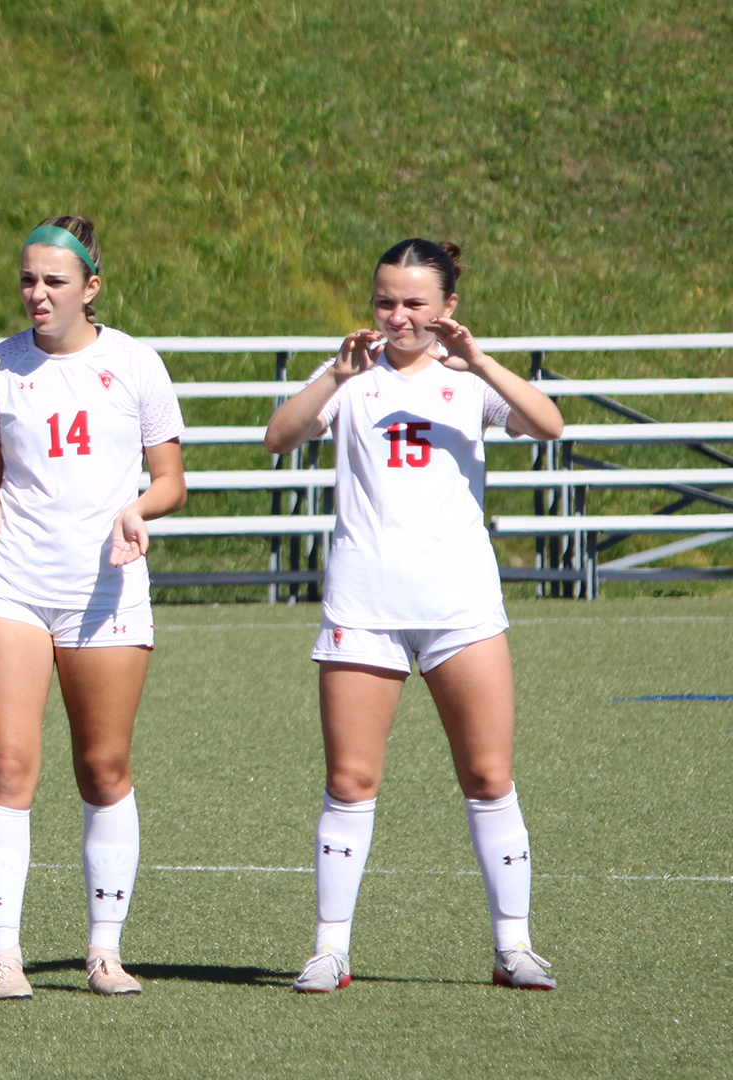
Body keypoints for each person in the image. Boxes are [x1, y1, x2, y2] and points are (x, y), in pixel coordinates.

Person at [263, 240, 564, 994]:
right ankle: (330, 949)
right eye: (385, 301)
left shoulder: (468, 381)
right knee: (350, 779)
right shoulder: (351, 375)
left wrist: (481, 361)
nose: (397, 317)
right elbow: (277, 437)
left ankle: (514, 947)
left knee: (489, 775)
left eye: (415, 303)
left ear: (448, 307)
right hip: (364, 605)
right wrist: (335, 375)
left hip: (461, 607)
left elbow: (548, 424)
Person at [0, 216, 187, 1000]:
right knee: (7, 765)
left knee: (103, 766)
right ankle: (3, 955)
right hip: (11, 584)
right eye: (28, 279)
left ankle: (104, 950)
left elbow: (171, 480)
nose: (38, 294)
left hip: (105, 589)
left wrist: (139, 511)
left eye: (54, 281)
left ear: (91, 287)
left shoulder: (135, 364)